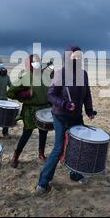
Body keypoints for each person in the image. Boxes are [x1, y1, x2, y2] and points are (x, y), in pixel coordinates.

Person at [36, 46, 97, 194]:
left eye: (80, 57)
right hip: (61, 116)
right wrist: (64, 103)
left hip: (76, 116)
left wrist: (89, 110)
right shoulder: (60, 73)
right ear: (68, 58)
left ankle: (75, 173)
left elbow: (87, 93)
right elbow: (51, 95)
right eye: (75, 57)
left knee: (77, 146)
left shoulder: (83, 74)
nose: (78, 60)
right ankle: (43, 182)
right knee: (59, 148)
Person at [7, 54, 50, 168]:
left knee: (43, 132)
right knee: (27, 133)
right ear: (29, 63)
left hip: (45, 110)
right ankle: (16, 155)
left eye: (38, 61)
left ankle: (41, 154)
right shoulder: (26, 77)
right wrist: (25, 94)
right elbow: (10, 92)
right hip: (30, 111)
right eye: (34, 61)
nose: (36, 63)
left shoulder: (45, 76)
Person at [0, 59, 12, 137]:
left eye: (2, 63)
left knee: (6, 116)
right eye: (0, 63)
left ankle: (5, 132)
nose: (2, 64)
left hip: (4, 99)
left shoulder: (6, 76)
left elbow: (11, 86)